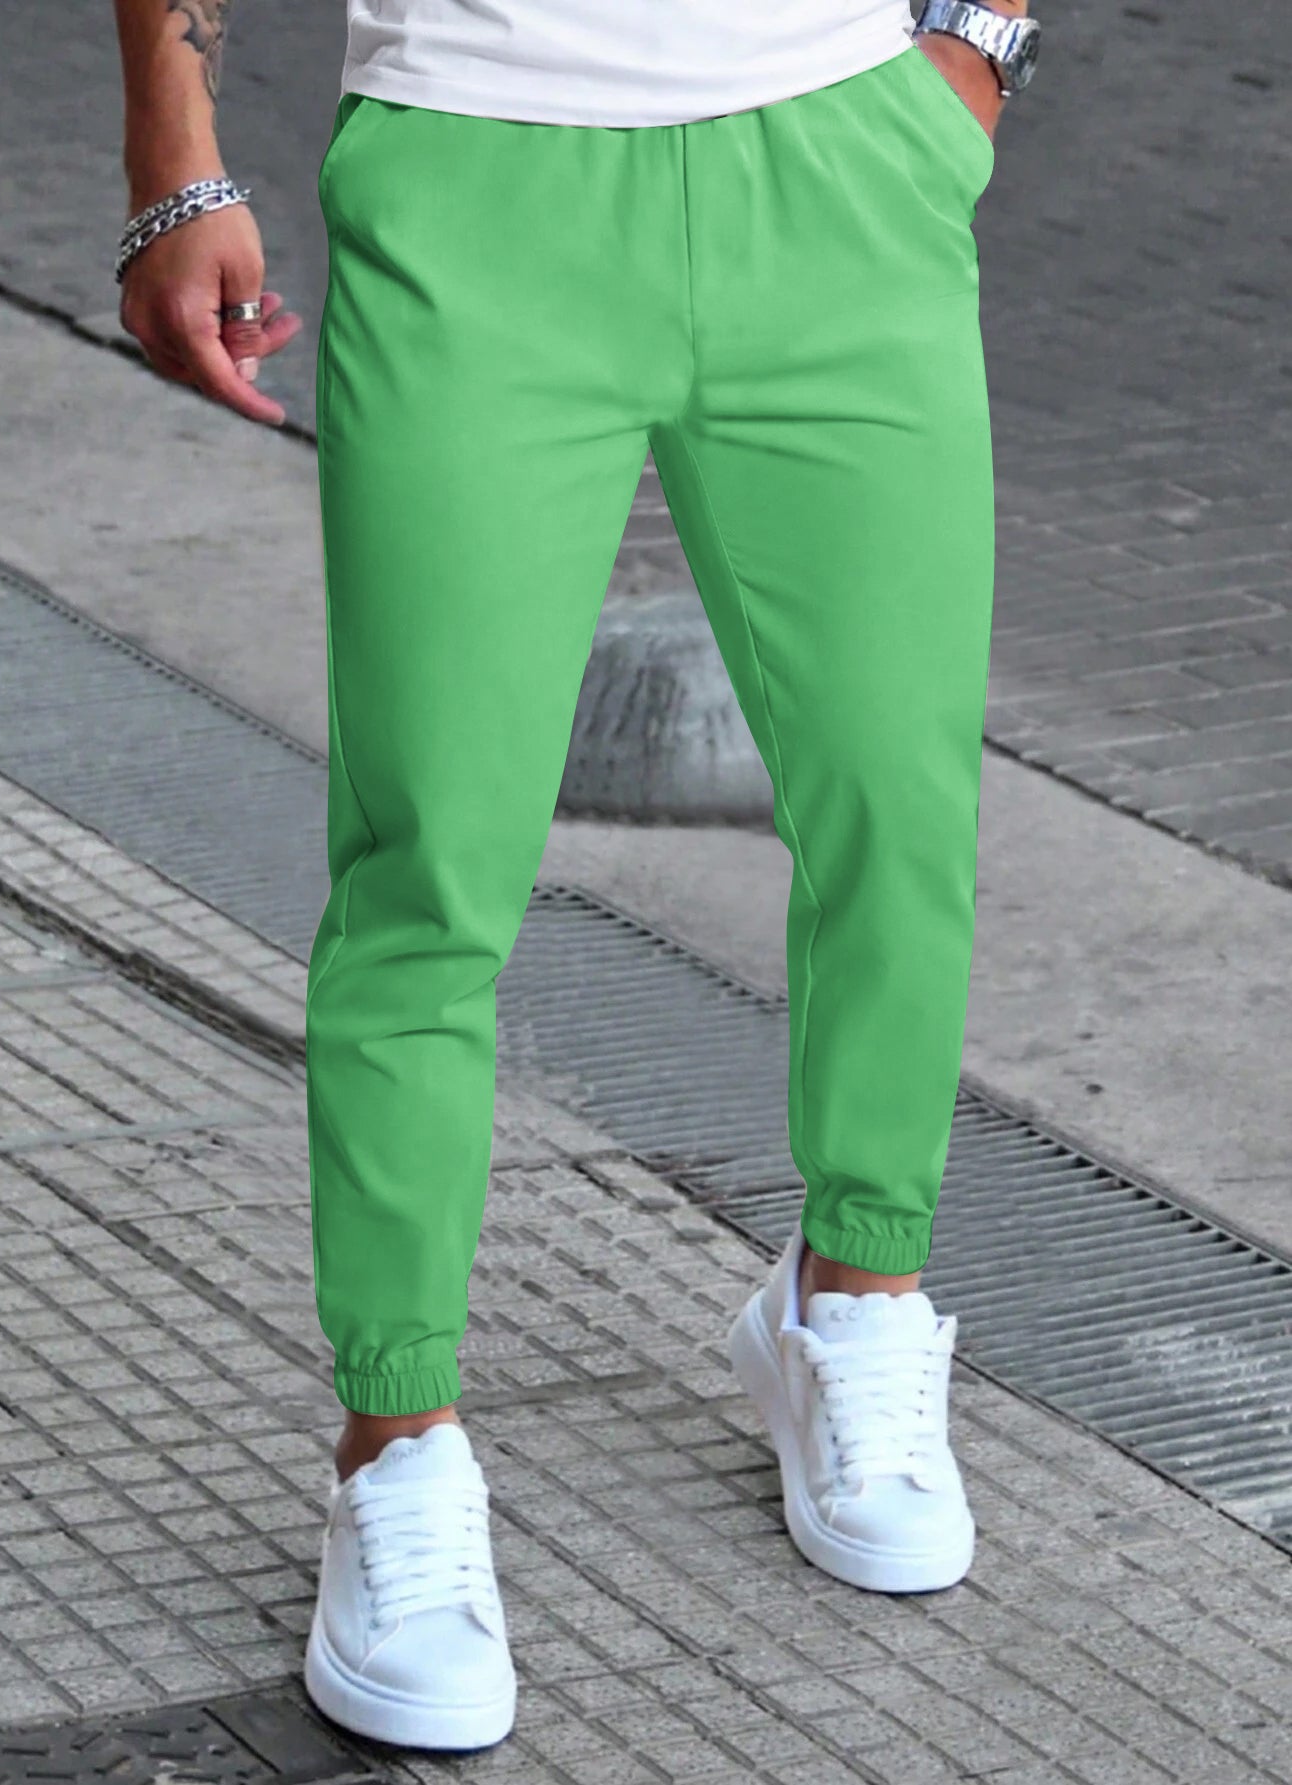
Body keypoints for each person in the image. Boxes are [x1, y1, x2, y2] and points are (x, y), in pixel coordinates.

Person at [113, 0, 1040, 1753]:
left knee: (899, 802)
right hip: (478, 170)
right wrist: (176, 151)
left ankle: (857, 1286)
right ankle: (398, 1443)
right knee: (429, 863)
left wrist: (979, 45)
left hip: (843, 159)